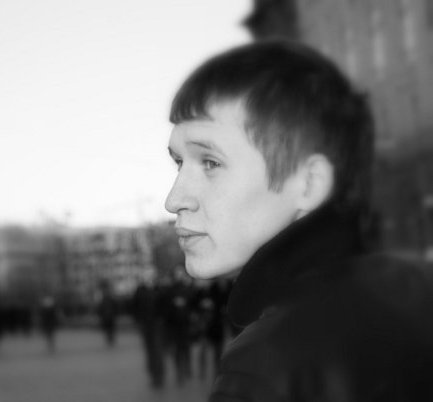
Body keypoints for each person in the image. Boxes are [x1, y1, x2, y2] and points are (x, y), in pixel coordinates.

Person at [164, 39, 433, 401]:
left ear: (308, 183)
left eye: (210, 163)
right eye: (179, 163)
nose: (173, 200)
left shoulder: (263, 367)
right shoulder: (412, 291)